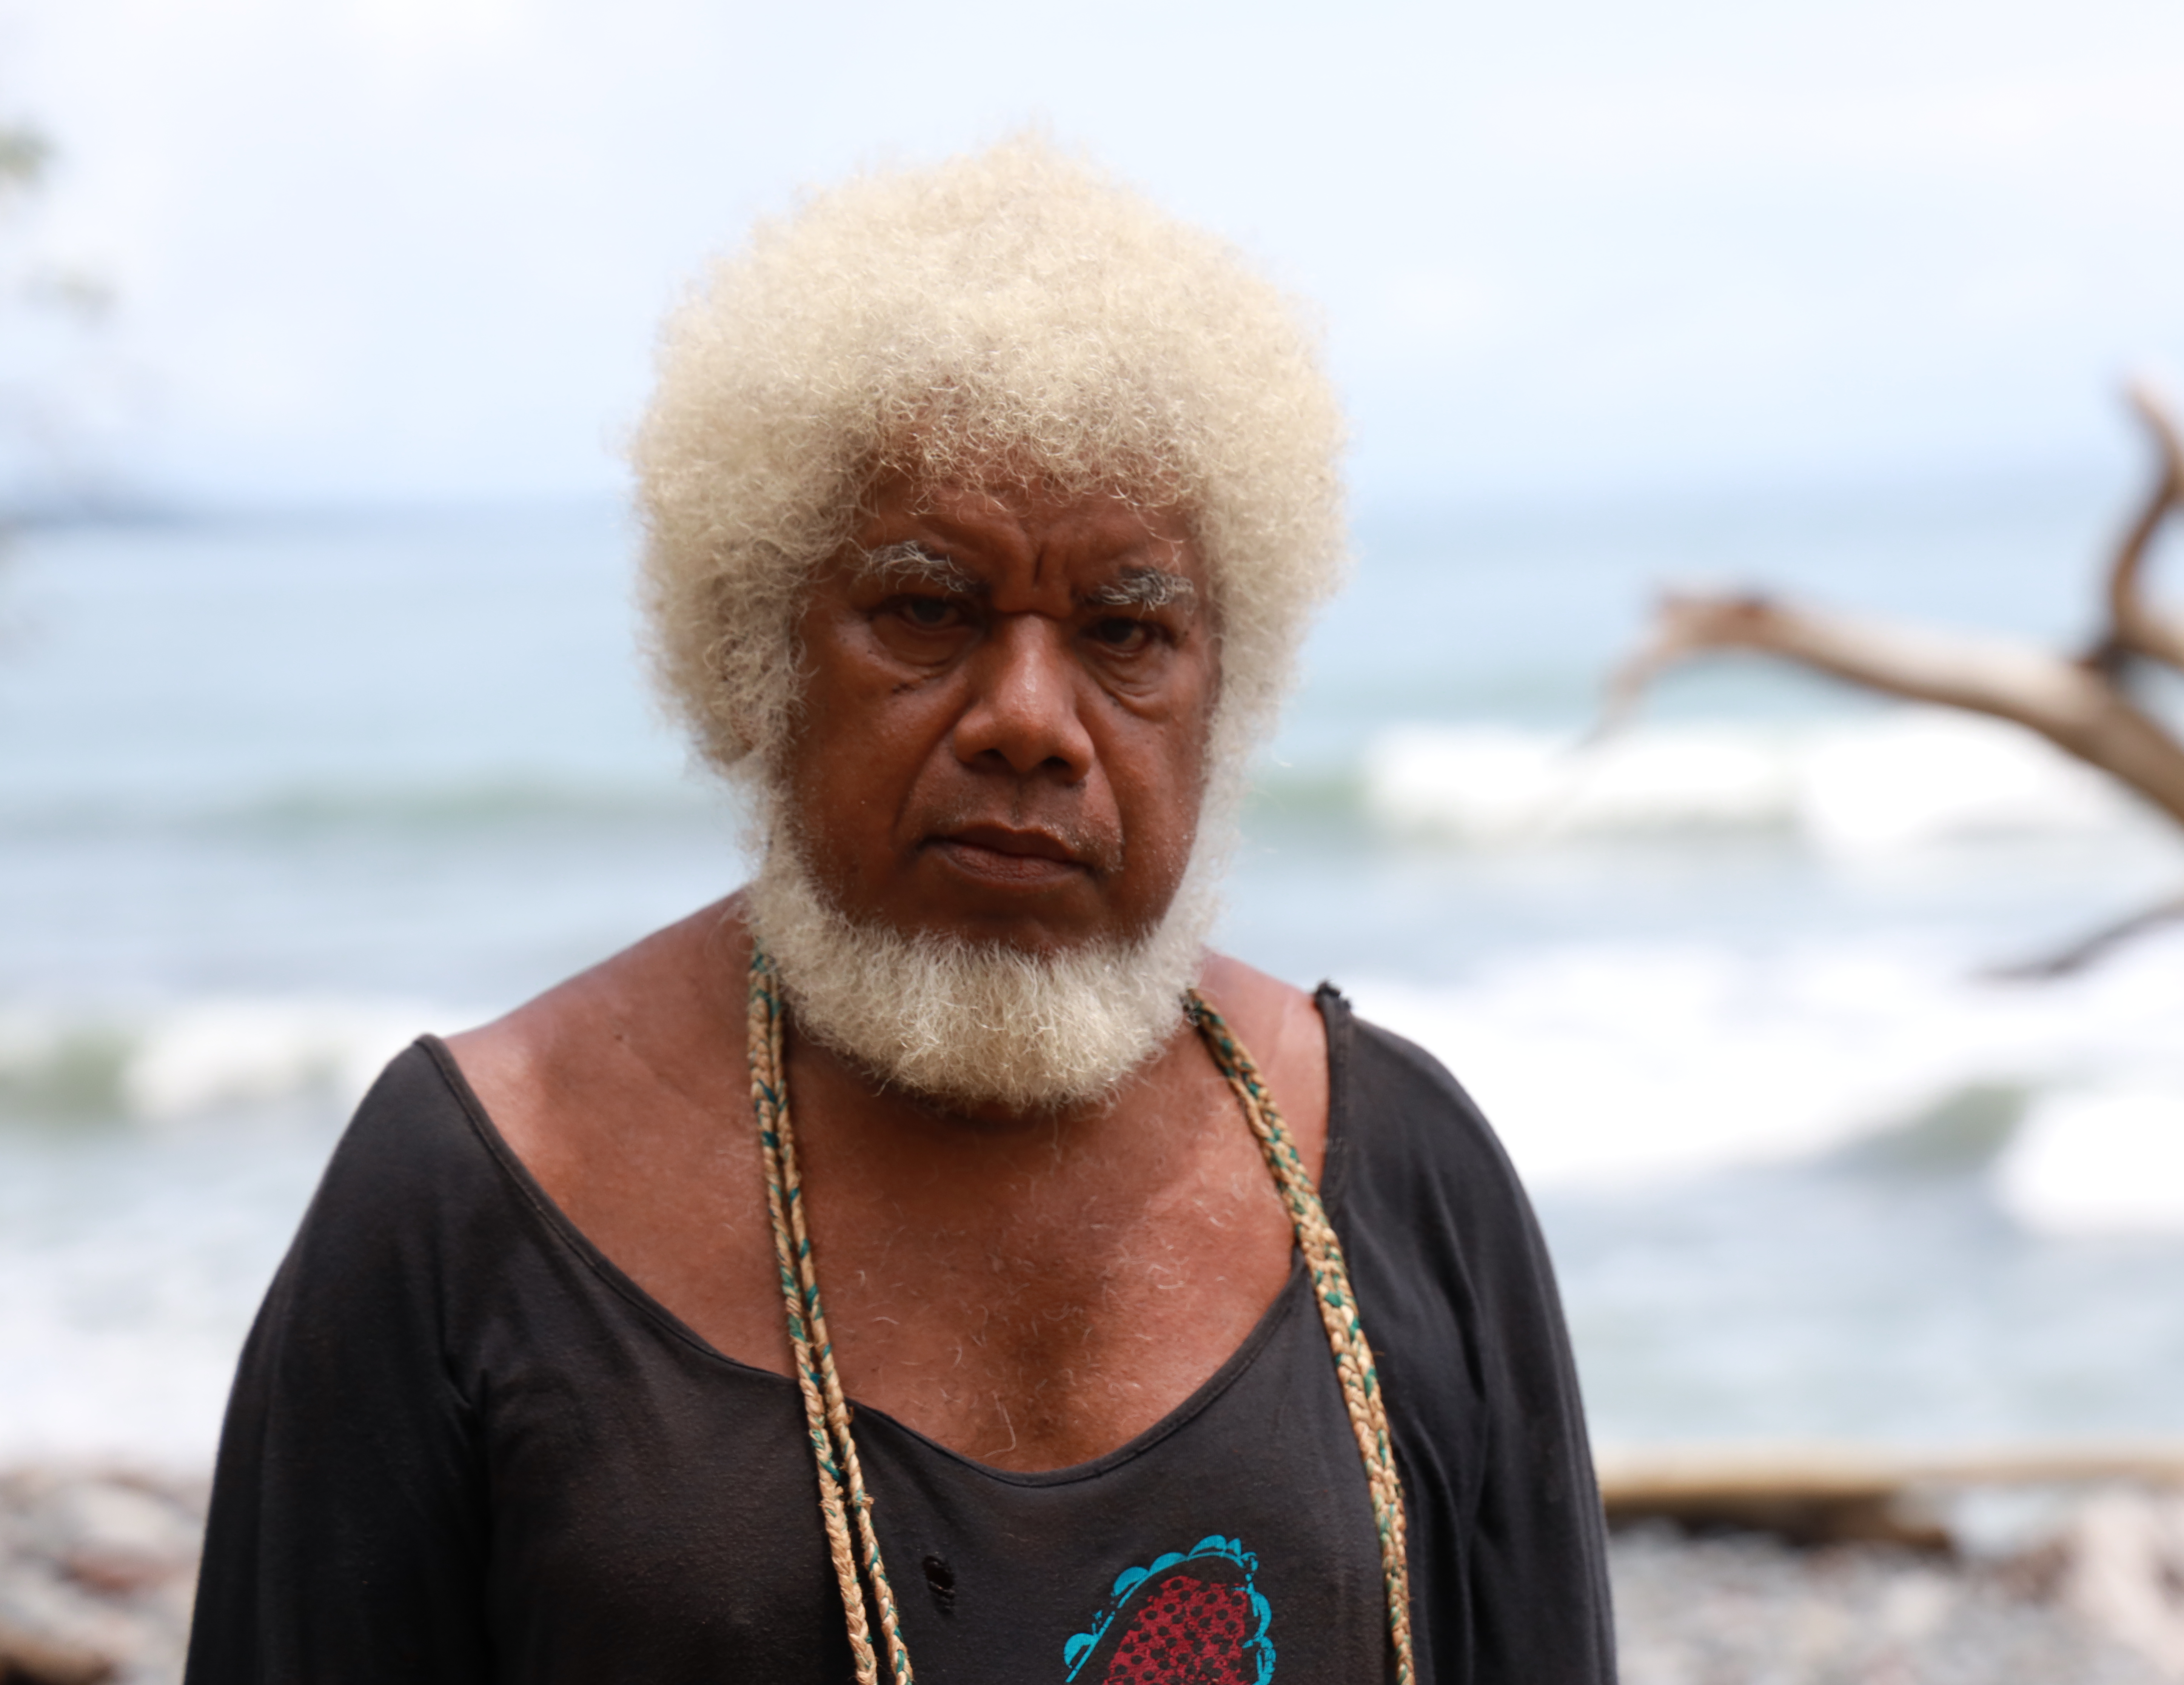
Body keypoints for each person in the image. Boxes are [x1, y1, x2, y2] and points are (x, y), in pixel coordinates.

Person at [184, 137, 1614, 1685]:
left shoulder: (1399, 1177)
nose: (1031, 720)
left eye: (1126, 630)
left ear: (1222, 690)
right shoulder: (473, 1198)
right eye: (927, 608)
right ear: (759, 655)